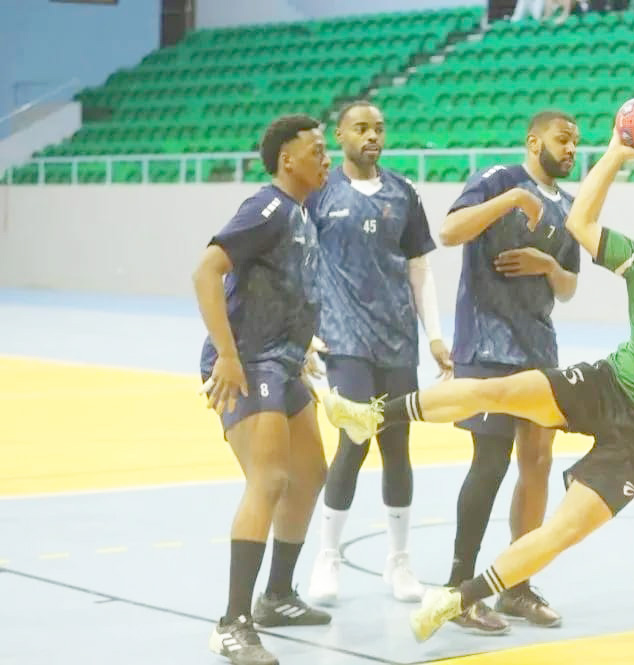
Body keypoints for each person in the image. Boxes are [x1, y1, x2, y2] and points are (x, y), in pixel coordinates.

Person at [320, 131, 634, 645]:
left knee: (563, 530)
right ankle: (372, 415)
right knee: (498, 390)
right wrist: (615, 153)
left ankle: (456, 599)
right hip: (608, 385)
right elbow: (580, 223)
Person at [434, 110, 583, 633]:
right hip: (487, 344)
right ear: (533, 141)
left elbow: (569, 287)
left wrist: (549, 267)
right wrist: (514, 199)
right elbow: (449, 231)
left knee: (537, 462)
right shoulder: (498, 178)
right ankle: (458, 589)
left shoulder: (571, 205)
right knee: (491, 461)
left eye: (576, 142)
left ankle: (516, 586)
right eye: (562, 139)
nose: (571, 149)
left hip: (538, 346)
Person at [194, 114, 335, 665]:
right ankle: (232, 623)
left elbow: (284, 290)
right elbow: (206, 272)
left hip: (284, 363)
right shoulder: (267, 207)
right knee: (270, 479)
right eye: (317, 150)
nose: (326, 158)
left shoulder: (301, 214)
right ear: (287, 159)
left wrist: (302, 343)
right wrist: (228, 357)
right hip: (248, 364)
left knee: (311, 472)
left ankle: (277, 595)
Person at [304, 101, 453, 606]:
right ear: (340, 135)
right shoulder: (319, 195)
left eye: (379, 129)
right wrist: (303, 331)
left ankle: (399, 561)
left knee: (397, 445)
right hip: (344, 339)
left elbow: (419, 269)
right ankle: (327, 556)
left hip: (397, 340)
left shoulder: (403, 193)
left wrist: (434, 335)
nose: (372, 136)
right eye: (361, 128)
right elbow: (301, 265)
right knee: (354, 440)